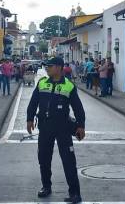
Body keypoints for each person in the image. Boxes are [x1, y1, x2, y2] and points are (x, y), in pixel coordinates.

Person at [27, 57, 86, 204]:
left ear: (59, 67)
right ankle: (46, 187)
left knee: (68, 161)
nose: (47, 68)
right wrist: (29, 119)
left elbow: (78, 108)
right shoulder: (42, 83)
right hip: (45, 128)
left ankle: (75, 193)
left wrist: (81, 126)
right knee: (44, 159)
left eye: (50, 66)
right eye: (46, 66)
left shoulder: (69, 86)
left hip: (63, 129)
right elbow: (33, 102)